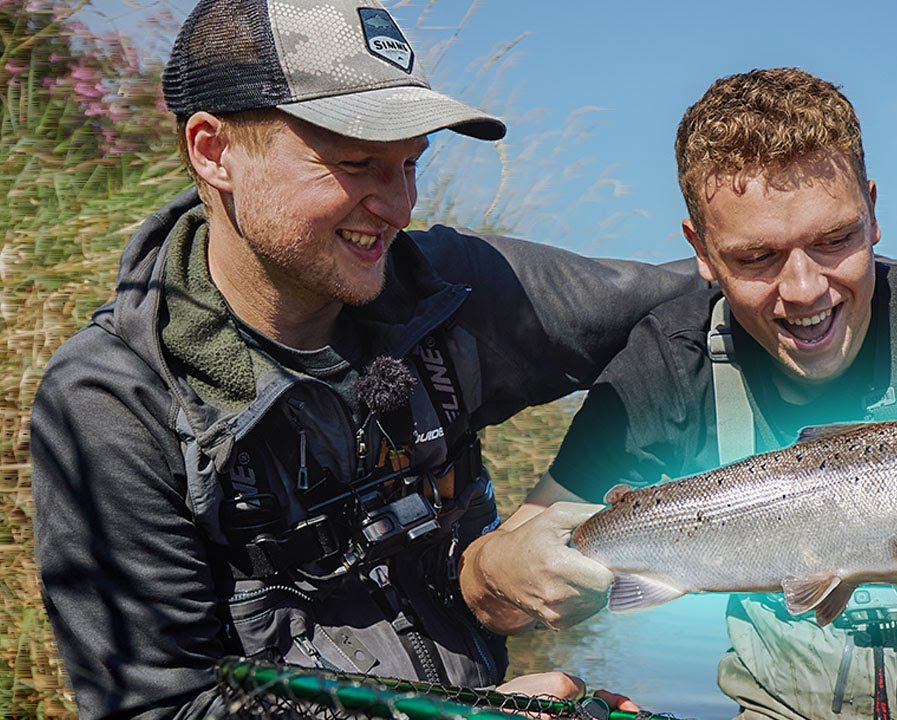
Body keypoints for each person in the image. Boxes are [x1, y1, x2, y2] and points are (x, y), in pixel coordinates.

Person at [28, 0, 707, 716]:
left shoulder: (448, 289)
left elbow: (719, 295)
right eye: (356, 163)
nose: (398, 206)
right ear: (213, 150)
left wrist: (559, 514)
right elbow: (161, 707)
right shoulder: (112, 406)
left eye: (410, 163)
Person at [460, 68, 897, 719]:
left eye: (835, 240)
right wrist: (503, 573)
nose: (805, 290)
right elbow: (488, 589)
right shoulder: (668, 365)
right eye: (757, 258)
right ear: (702, 251)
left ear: (872, 214)